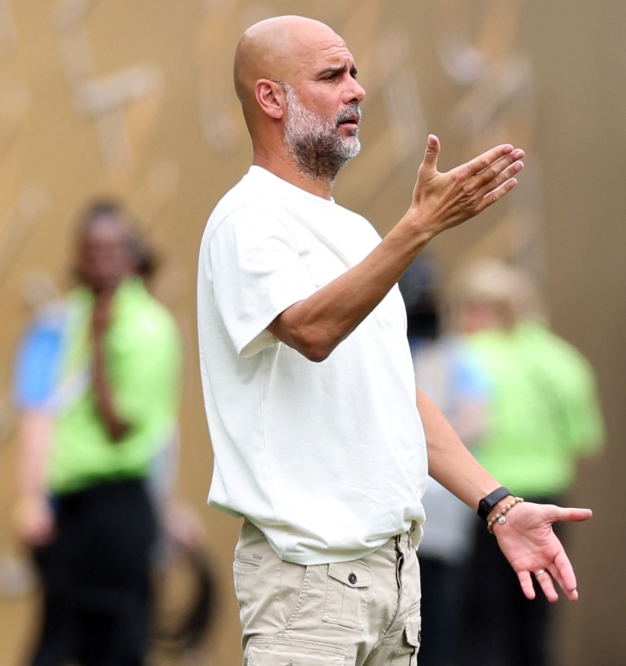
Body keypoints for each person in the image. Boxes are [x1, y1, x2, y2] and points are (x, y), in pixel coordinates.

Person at [195, 15, 592, 666]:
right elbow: (311, 330)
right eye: (331, 76)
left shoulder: (353, 231)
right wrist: (417, 229)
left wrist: (497, 505)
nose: (357, 90)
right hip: (307, 580)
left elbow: (393, 394)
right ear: (271, 98)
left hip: (391, 579)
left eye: (354, 72)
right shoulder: (248, 219)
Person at [14, 202, 183, 666]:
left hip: (118, 506)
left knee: (117, 643)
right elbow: (38, 416)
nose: (104, 261)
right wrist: (30, 498)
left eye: (115, 250)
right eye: (94, 250)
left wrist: (100, 347)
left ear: (133, 256)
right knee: (58, 640)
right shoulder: (57, 323)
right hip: (69, 510)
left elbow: (133, 429)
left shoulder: (149, 327)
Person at [451, 260, 605, 666]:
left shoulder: (467, 356)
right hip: (548, 501)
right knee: (536, 616)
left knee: (480, 620)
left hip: (483, 500)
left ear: (478, 309)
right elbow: (585, 444)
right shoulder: (563, 360)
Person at [399, 258, 489, 666]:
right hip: (397, 513)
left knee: (443, 623)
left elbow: (476, 418)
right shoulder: (388, 347)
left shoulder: (454, 356)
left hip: (444, 514)